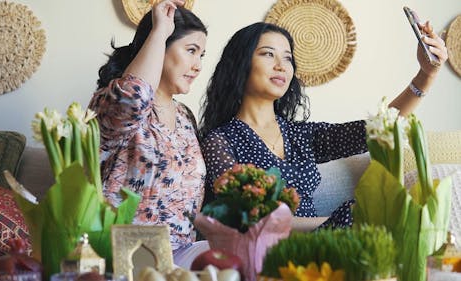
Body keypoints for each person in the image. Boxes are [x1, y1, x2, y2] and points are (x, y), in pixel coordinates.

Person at [200, 21, 448, 231]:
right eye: (268, 54)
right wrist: (333, 224)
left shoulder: (300, 135)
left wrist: (426, 76)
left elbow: (376, 129)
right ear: (241, 63)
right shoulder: (219, 140)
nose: (281, 66)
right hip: (266, 251)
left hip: (321, 240)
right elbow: (244, 219)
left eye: (288, 58)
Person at [88, 0, 209, 267]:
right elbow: (134, 96)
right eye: (191, 50)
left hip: (179, 257)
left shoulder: (185, 117)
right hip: (125, 254)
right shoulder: (110, 103)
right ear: (158, 47)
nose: (198, 65)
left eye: (202, 55)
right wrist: (159, 30)